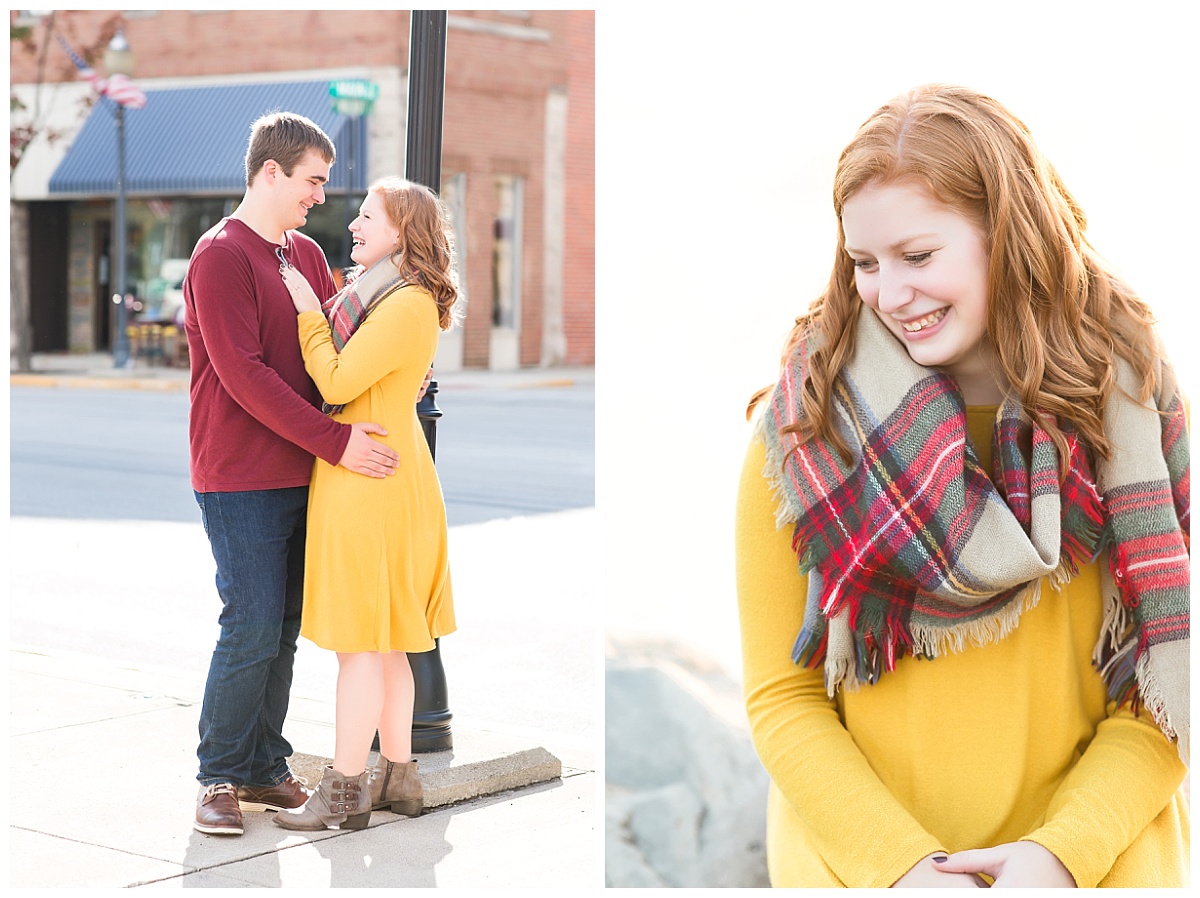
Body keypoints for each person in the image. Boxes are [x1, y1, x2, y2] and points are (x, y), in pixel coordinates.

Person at [736, 84, 1189, 888]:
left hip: (1094, 868)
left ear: (1007, 237)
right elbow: (784, 698)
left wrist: (1059, 856)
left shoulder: (1127, 414)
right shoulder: (808, 428)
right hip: (866, 874)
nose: (890, 293)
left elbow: (1167, 683)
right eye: (865, 263)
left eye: (918, 256)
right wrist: (905, 869)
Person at [185, 112, 402, 836]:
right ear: (270, 172)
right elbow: (243, 375)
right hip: (239, 474)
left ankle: (262, 768)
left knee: (283, 628)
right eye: (312, 180)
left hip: (308, 471)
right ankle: (216, 774)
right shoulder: (219, 256)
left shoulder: (308, 256)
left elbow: (335, 351)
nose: (320, 195)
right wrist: (336, 442)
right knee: (248, 624)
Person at [271, 177, 459, 831]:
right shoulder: (385, 299)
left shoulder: (402, 304)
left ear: (401, 232)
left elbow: (339, 378)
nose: (353, 223)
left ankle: (345, 793)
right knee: (387, 648)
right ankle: (399, 781)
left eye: (367, 216)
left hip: (371, 485)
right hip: (383, 476)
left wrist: (306, 313)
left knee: (361, 647)